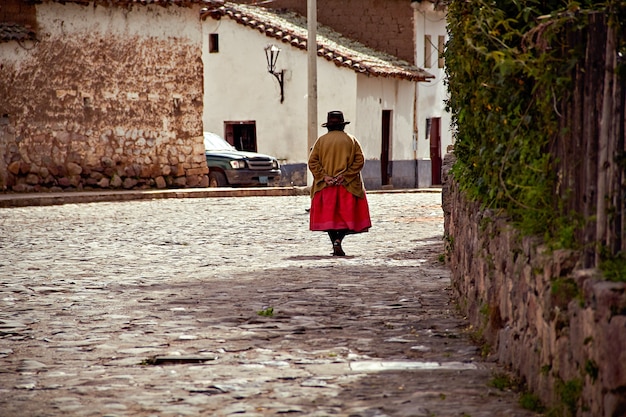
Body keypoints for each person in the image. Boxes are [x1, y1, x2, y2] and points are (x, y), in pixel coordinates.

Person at [308, 111, 372, 256]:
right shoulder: (351, 140)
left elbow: (312, 162)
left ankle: (335, 243)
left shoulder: (320, 141)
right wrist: (346, 175)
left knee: (329, 220)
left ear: (328, 126)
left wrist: (324, 177)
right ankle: (338, 241)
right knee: (347, 218)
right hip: (347, 186)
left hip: (326, 187)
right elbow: (359, 161)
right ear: (343, 125)